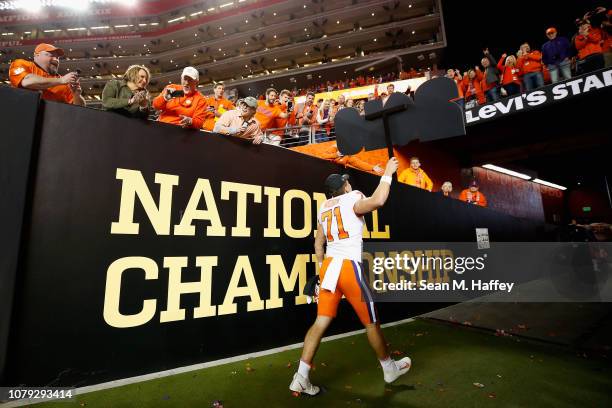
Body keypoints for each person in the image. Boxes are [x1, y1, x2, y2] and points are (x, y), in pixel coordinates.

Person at [289, 157, 411, 396]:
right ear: (343, 187)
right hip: (348, 268)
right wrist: (387, 173)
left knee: (320, 321)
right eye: (346, 182)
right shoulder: (353, 197)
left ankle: (301, 376)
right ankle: (389, 368)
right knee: (371, 322)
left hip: (330, 267)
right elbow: (378, 200)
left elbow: (318, 243)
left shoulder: (324, 207)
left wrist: (320, 273)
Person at [9, 43, 85, 106]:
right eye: (51, 55)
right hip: (20, 116)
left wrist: (76, 95)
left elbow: (80, 109)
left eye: (58, 58)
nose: (56, 59)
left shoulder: (65, 84)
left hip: (49, 121)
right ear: (36, 55)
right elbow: (27, 81)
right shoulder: (22, 64)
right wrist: (61, 80)